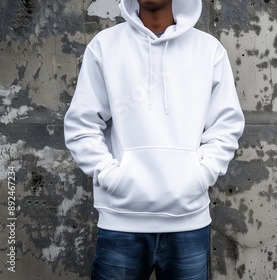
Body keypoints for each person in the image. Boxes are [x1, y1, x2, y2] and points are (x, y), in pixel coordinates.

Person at [63, 0, 245, 279]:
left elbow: (226, 126)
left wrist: (200, 174)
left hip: (188, 223)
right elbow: (82, 125)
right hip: (121, 223)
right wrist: (112, 176)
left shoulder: (208, 50)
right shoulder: (105, 46)